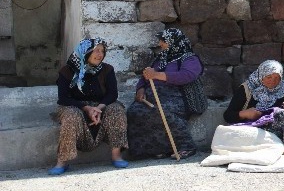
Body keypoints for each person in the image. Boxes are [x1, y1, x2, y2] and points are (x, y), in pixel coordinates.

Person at [49, 38, 129, 175]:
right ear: (85, 52)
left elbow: (112, 94)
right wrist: (86, 108)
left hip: (100, 106)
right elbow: (63, 98)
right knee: (71, 115)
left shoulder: (107, 69)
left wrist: (99, 108)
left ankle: (116, 155)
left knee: (116, 109)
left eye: (102, 51)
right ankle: (62, 161)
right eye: (96, 50)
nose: (100, 54)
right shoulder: (67, 71)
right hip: (75, 106)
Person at [126, 28, 203, 160]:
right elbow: (145, 76)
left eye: (163, 41)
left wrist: (157, 75)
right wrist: (141, 89)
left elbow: (187, 75)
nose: (160, 44)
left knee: (162, 111)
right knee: (134, 111)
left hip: (179, 97)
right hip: (154, 95)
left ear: (174, 42)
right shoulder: (161, 58)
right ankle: (155, 149)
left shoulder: (189, 58)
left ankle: (186, 146)